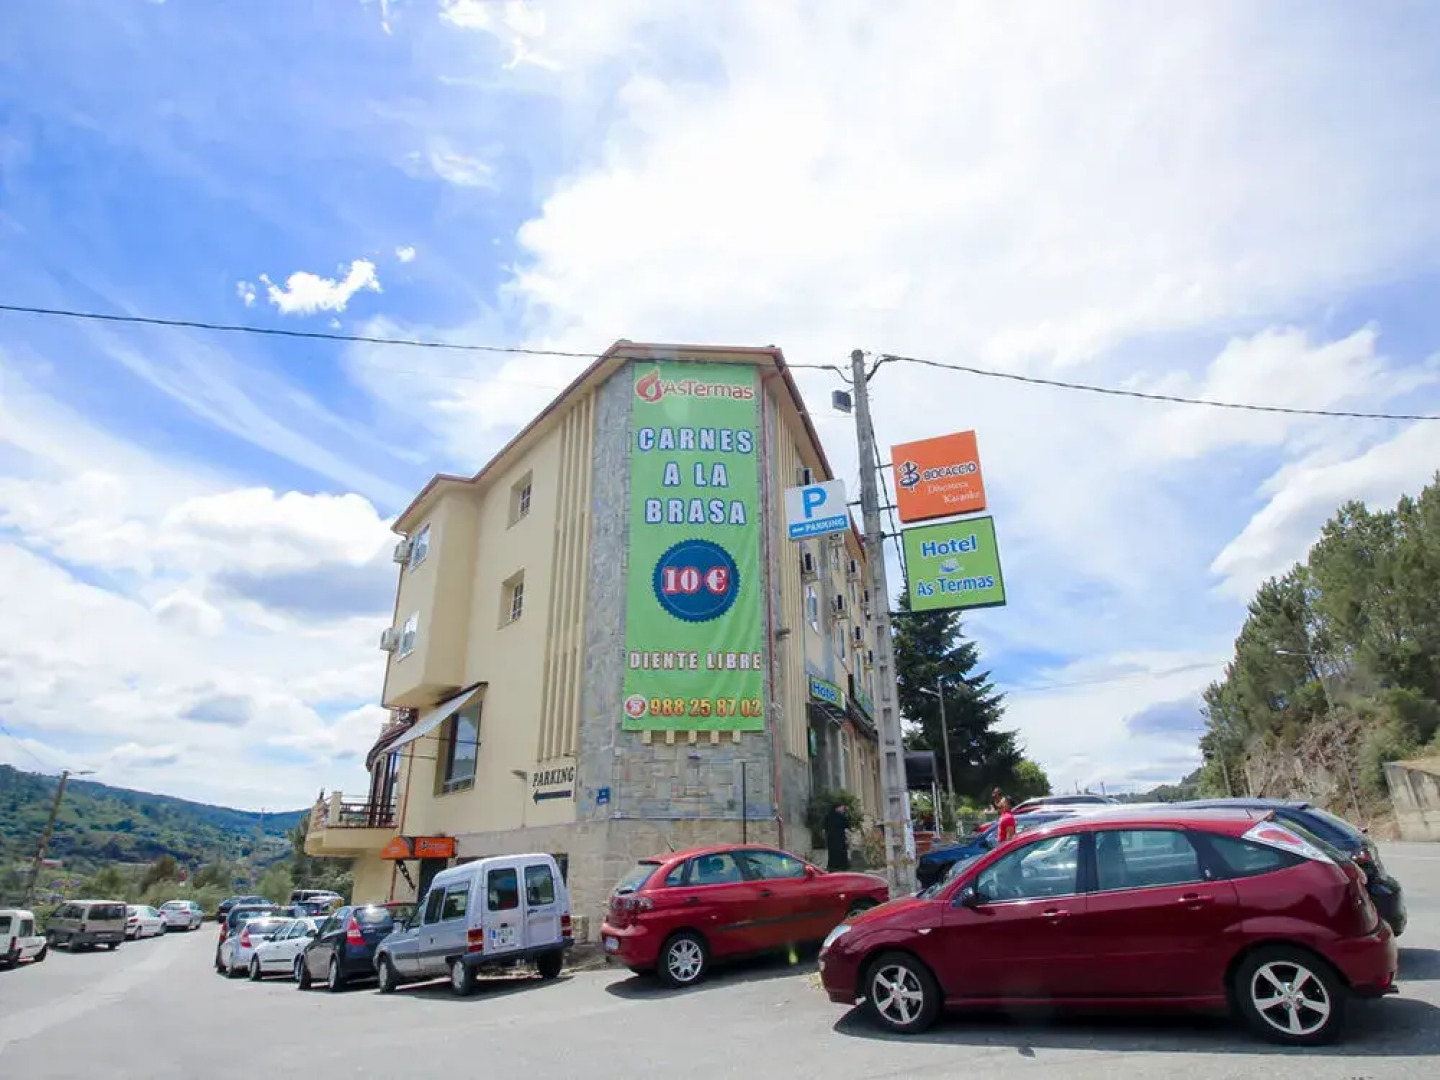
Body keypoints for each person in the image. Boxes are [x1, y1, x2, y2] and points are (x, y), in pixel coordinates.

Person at [824, 801, 851, 872]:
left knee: (832, 853)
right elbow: (847, 825)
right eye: (842, 808)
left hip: (831, 838)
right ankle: (842, 866)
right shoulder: (840, 816)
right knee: (841, 852)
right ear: (837, 808)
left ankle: (832, 866)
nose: (843, 809)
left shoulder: (828, 815)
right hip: (839, 838)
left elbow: (825, 827)